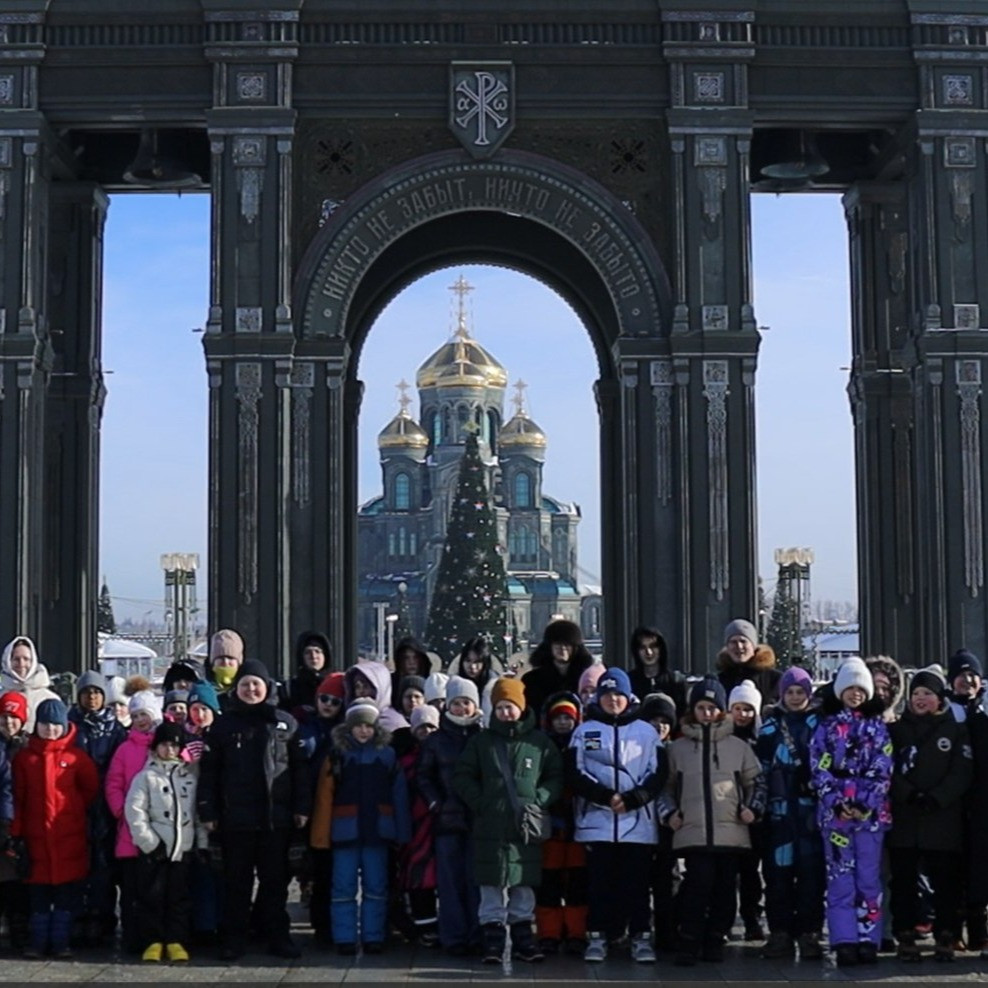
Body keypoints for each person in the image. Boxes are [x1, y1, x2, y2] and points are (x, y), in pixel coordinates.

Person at [197, 659, 310, 961]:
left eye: (256, 684)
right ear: (237, 688)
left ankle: (277, 936)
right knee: (237, 883)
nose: (250, 690)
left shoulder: (285, 722)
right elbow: (209, 772)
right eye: (245, 684)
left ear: (266, 687)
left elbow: (300, 770)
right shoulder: (223, 725)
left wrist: (302, 807)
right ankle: (233, 939)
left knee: (275, 883)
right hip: (236, 819)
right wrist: (208, 811)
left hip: (276, 817)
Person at [453, 676, 563, 965]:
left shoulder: (539, 742)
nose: (505, 712)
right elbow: (462, 776)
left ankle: (524, 939)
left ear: (521, 706)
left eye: (510, 706)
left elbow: (555, 776)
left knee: (523, 884)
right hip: (489, 827)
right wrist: (480, 802)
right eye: (500, 707)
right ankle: (492, 939)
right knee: (491, 885)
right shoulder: (482, 742)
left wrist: (539, 798)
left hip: (525, 827)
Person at [659, 676, 765, 967]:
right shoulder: (678, 748)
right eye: (701, 707)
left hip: (731, 830)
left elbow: (756, 782)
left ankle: (716, 938)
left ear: (721, 711)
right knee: (697, 885)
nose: (707, 713)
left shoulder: (738, 747)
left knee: (725, 888)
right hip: (692, 830)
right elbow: (665, 787)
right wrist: (669, 813)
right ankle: (689, 939)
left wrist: (752, 809)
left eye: (712, 708)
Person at [570, 668, 662, 963]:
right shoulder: (585, 731)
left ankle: (640, 936)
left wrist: (633, 800)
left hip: (638, 825)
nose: (613, 700)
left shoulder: (646, 732)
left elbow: (658, 774)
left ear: (628, 696)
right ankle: (598, 936)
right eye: (607, 694)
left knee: (636, 885)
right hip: (597, 823)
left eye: (618, 694)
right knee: (599, 885)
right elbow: (575, 772)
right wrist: (604, 797)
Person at [308, 698, 411, 954]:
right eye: (358, 726)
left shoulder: (387, 756)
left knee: (376, 886)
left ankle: (373, 936)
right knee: (343, 886)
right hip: (344, 831)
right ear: (349, 727)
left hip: (379, 831)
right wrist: (321, 836)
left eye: (368, 726)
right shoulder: (337, 755)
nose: (363, 731)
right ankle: (344, 937)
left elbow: (399, 795)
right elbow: (324, 797)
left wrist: (402, 832)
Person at [810, 657, 893, 968]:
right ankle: (844, 940)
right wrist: (836, 801)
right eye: (850, 688)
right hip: (836, 818)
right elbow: (818, 767)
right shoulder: (826, 727)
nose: (855, 693)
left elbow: (883, 768)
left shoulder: (878, 727)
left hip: (869, 818)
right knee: (840, 879)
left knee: (869, 880)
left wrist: (865, 802)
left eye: (861, 689)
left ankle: (868, 938)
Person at [888, 667, 972, 962]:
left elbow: (962, 771)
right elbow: (886, 768)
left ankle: (946, 934)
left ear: (940, 698)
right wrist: (907, 794)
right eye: (916, 693)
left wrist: (938, 797)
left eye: (927, 693)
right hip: (905, 819)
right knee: (904, 882)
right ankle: (905, 935)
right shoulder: (896, 730)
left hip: (942, 819)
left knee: (946, 882)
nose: (920, 698)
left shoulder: (955, 730)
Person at [11, 698, 99, 959]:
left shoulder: (76, 757)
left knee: (65, 897)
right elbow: (18, 797)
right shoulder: (25, 758)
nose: (50, 730)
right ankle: (38, 943)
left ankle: (61, 943)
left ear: (64, 726)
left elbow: (90, 788)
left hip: (68, 837)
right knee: (38, 898)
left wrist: (74, 811)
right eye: (45, 724)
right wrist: (16, 833)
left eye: (55, 725)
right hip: (35, 838)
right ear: (36, 725)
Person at [756, 665, 824, 960]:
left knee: (812, 878)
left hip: (812, 816)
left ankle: (810, 934)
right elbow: (760, 771)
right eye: (790, 692)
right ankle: (780, 933)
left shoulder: (819, 725)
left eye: (801, 692)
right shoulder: (770, 728)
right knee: (777, 879)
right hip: (779, 816)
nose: (795, 697)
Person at [124, 720, 205, 964]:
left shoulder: (189, 777)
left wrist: (201, 843)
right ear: (156, 747)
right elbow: (135, 812)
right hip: (155, 850)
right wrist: (149, 842)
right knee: (152, 896)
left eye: (174, 745)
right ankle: (153, 940)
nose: (169, 750)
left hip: (183, 848)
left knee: (179, 897)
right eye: (165, 745)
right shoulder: (145, 777)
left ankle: (176, 940)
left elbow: (197, 814)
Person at [417, 675, 484, 956]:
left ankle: (478, 935)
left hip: (478, 820)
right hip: (447, 820)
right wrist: (436, 803)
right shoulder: (437, 740)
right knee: (450, 882)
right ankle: (454, 937)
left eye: (467, 702)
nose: (462, 708)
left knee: (476, 881)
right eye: (456, 703)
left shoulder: (483, 737)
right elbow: (424, 776)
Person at [67, 670, 127, 944]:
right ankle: (78, 916)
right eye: (86, 692)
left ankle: (102, 918)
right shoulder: (69, 725)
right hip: (76, 800)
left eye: (96, 692)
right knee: (78, 861)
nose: (91, 697)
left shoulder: (115, 729)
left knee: (104, 865)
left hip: (105, 802)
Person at [105, 689, 162, 953]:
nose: (140, 720)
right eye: (136, 715)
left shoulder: (163, 747)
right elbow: (113, 783)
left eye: (144, 715)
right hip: (130, 828)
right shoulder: (124, 749)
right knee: (130, 889)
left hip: (160, 827)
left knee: (155, 888)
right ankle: (131, 936)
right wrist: (120, 810)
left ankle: (154, 936)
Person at [535, 692, 586, 956]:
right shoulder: (541, 747)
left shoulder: (584, 745)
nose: (563, 723)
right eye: (558, 718)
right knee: (549, 884)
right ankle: (549, 933)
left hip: (579, 826)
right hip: (551, 827)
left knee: (578, 884)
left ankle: (576, 932)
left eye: (568, 718)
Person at [638, 692, 679, 950]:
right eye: (654, 720)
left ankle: (667, 932)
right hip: (638, 823)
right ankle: (638, 930)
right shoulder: (634, 748)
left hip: (667, 826)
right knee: (639, 880)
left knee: (667, 879)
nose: (660, 726)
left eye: (665, 721)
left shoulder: (675, 750)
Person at [398, 704, 440, 945]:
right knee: (418, 877)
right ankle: (425, 925)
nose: (426, 731)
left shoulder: (443, 754)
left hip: (441, 822)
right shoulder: (405, 760)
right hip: (414, 825)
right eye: (421, 727)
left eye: (431, 727)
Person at [728, 679, 765, 942]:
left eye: (748, 709)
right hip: (726, 814)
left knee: (751, 873)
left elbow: (762, 779)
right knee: (728, 873)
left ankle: (752, 918)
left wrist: (754, 808)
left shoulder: (762, 740)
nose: (743, 714)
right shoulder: (721, 738)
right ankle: (726, 919)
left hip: (753, 817)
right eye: (738, 708)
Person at [0, 691, 30, 952]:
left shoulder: (29, 746)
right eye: (4, 717)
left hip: (25, 819)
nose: (9, 722)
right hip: (3, 820)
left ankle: (20, 930)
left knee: (19, 881)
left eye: (14, 717)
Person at [522, 619, 595, 718]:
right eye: (558, 644)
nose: (562, 648)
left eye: (567, 644)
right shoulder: (532, 680)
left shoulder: (586, 679)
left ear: (575, 647)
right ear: (549, 647)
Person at [716, 620, 781, 708]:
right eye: (733, 642)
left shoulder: (774, 679)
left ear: (753, 646)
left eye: (743, 641)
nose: (739, 646)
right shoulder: (720, 680)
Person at [0, 637, 59, 733]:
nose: (21, 663)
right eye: (16, 659)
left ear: (33, 661)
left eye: (26, 659)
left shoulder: (49, 698)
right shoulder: (1, 696)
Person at [628, 626, 686, 717]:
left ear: (661, 649)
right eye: (643, 647)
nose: (649, 652)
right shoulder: (629, 681)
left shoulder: (676, 680)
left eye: (653, 646)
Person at [447, 637, 503, 723]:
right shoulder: (453, 686)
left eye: (477, 662)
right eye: (468, 661)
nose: (472, 667)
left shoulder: (494, 687)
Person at [281, 630, 332, 719]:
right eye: (308, 652)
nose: (313, 656)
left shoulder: (336, 683)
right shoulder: (289, 688)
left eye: (317, 651)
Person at [390, 638, 437, 710]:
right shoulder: (391, 684)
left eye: (415, 658)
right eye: (406, 658)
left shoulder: (431, 683)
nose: (411, 662)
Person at [204, 629, 245, 707]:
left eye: (230, 658)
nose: (226, 662)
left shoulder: (246, 689)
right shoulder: (204, 688)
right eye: (221, 658)